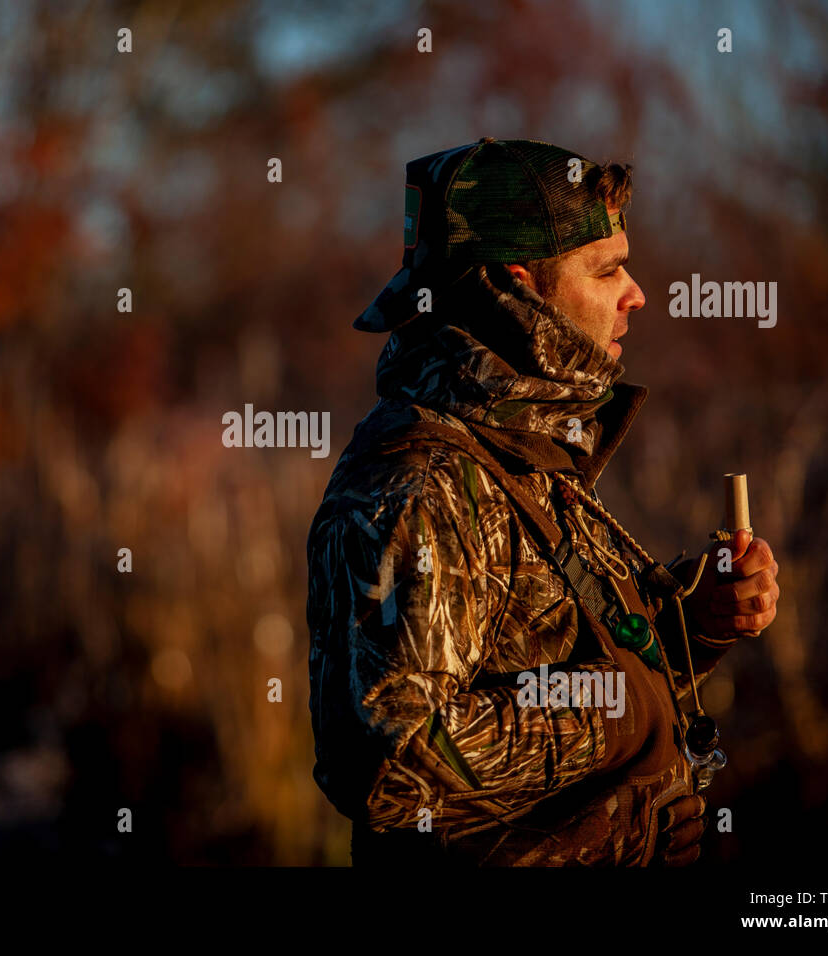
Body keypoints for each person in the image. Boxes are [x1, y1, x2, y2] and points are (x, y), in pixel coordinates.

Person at [305, 137, 781, 866]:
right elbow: (389, 767)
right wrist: (615, 711)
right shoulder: (416, 482)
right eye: (608, 270)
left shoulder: (522, 447)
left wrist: (695, 624)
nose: (637, 294)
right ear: (519, 288)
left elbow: (546, 656)